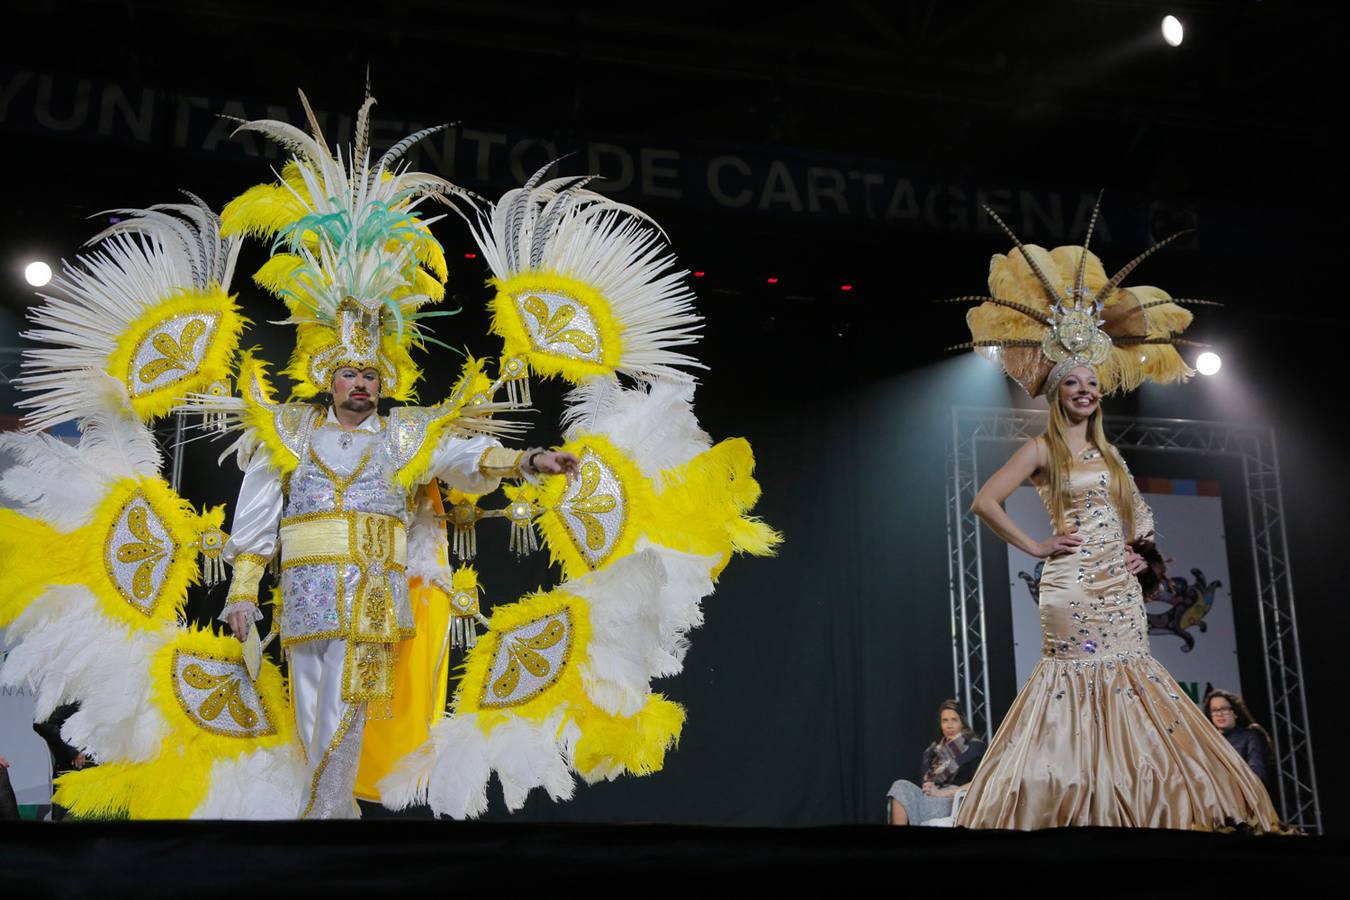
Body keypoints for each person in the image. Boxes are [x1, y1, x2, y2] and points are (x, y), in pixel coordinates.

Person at [949, 206, 1281, 830]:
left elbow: (1139, 515)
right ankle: (1070, 810)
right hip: (1071, 587)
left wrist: (1142, 555)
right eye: (1072, 383)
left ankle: (1132, 806)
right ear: (1056, 392)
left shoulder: (1109, 455)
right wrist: (1035, 546)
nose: (1085, 390)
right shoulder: (1040, 449)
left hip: (1118, 588)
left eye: (1091, 383)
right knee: (1073, 684)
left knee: (1134, 681)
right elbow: (984, 501)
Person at [221, 362, 578, 819]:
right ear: (329, 381)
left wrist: (529, 460)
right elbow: (257, 513)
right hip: (304, 599)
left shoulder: (405, 437)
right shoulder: (291, 430)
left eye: (370, 376)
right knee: (308, 715)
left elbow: (465, 457)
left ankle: (324, 820)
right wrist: (243, 591)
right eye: (349, 374)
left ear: (382, 384)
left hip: (370, 598)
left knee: (341, 711)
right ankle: (332, 814)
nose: (360, 384)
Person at [887, 700, 985, 825]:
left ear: (962, 722)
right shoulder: (933, 750)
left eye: (954, 720)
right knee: (899, 786)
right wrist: (929, 788)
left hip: (953, 801)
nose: (949, 725)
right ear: (941, 724)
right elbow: (925, 781)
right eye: (945, 720)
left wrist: (942, 793)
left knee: (910, 800)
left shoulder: (974, 747)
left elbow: (979, 783)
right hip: (931, 797)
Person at [1204, 689, 1275, 793]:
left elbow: (1258, 775)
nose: (1219, 714)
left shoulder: (1250, 736)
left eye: (1224, 709)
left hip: (1241, 795)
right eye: (1214, 710)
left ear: (1235, 713)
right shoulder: (1206, 740)